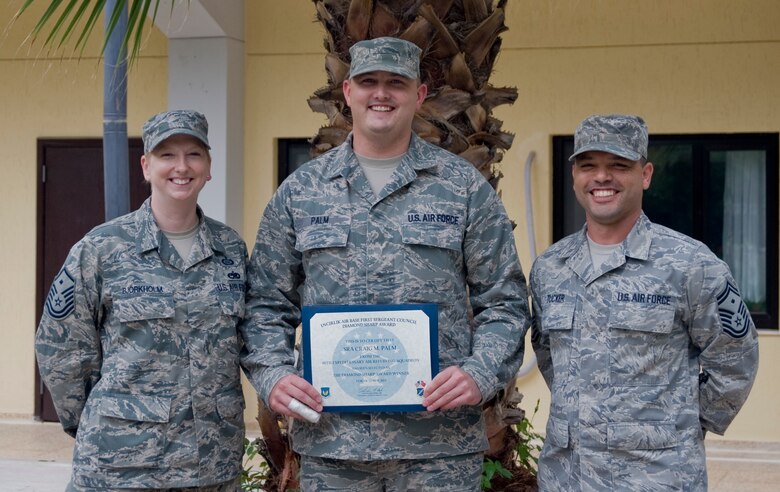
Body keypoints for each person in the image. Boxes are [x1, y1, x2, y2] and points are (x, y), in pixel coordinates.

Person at [241, 37, 530, 491]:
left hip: (439, 447)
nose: (381, 93)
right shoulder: (301, 193)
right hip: (333, 445)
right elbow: (264, 304)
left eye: (396, 83)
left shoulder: (463, 188)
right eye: (369, 82)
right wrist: (274, 375)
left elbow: (505, 302)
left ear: (418, 95)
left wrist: (480, 372)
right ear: (348, 92)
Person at [530, 114, 759, 491]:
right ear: (575, 176)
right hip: (566, 476)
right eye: (588, 166)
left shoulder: (690, 264)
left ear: (646, 174)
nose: (602, 177)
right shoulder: (550, 267)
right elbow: (550, 356)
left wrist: (681, 421)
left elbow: (736, 359)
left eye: (619, 165)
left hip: (656, 476)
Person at [35, 110, 248, 491]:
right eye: (167, 155)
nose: (181, 167)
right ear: (146, 166)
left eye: (194, 154)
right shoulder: (102, 248)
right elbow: (61, 351)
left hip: (212, 465)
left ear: (209, 167)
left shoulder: (230, 248)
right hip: (122, 465)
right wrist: (102, 420)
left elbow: (248, 338)